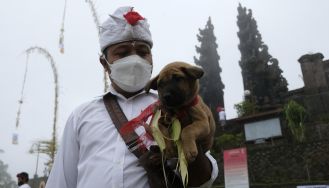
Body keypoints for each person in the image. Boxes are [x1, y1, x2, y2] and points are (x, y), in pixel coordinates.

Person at [46, 6, 218, 188]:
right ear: (104, 63)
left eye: (143, 52)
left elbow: (205, 178)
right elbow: (61, 182)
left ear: (151, 58)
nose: (135, 59)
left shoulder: (174, 107)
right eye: (123, 53)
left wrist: (182, 140)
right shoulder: (81, 116)